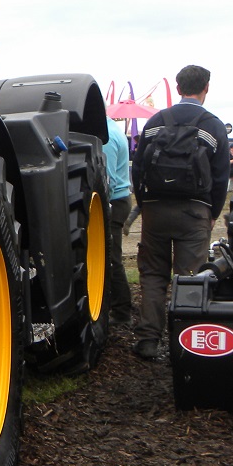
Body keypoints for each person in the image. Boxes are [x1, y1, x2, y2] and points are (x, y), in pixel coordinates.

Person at [129, 65, 230, 361]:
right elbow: (221, 176)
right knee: (191, 278)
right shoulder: (213, 126)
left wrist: (145, 202)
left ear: (177, 88)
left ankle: (148, 340)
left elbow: (139, 166)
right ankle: (185, 344)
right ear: (206, 87)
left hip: (155, 209)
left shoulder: (157, 121)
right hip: (195, 211)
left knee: (152, 275)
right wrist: (212, 212)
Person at [104, 117, 134, 325]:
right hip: (120, 199)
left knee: (111, 258)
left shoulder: (106, 137)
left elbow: (108, 180)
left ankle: (122, 312)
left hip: (114, 201)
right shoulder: (113, 128)